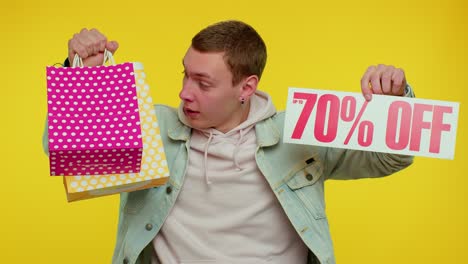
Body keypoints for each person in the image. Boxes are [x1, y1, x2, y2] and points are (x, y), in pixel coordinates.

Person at [50, 20, 414, 264]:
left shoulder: (298, 132)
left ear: (247, 87)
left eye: (202, 83)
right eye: (185, 75)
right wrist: (85, 76)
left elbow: (390, 159)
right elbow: (67, 154)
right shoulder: (154, 127)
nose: (183, 93)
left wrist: (396, 100)